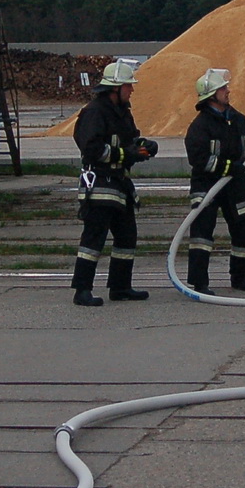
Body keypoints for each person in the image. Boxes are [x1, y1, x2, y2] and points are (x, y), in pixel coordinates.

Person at [71, 59, 159, 306]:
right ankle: (82, 290)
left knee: (127, 236)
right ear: (115, 88)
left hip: (119, 185)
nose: (132, 89)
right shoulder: (94, 112)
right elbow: (91, 148)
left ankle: (120, 287)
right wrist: (125, 154)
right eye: (128, 86)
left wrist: (144, 146)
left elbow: (130, 141)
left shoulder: (122, 112)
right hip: (100, 183)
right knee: (94, 238)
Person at [185, 68, 245, 293]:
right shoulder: (200, 126)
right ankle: (199, 282)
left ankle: (240, 277)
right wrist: (228, 167)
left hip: (235, 185)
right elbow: (199, 159)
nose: (228, 91)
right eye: (223, 88)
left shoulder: (237, 118)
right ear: (211, 95)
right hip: (207, 185)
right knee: (202, 234)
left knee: (242, 231)